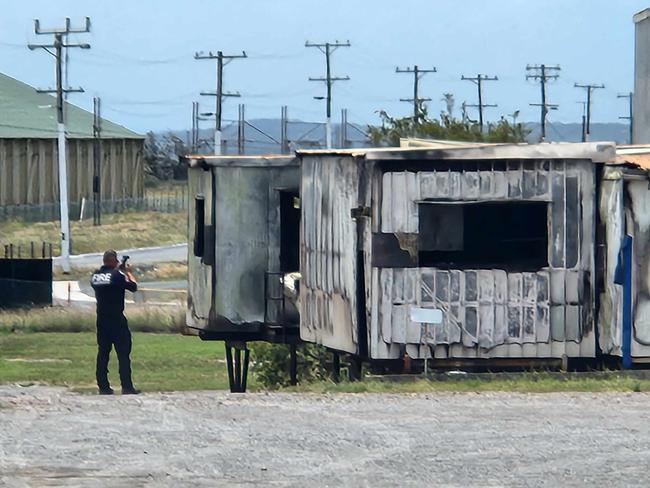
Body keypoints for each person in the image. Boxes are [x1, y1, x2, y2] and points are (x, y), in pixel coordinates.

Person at [90, 250, 140, 395]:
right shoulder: (118, 275)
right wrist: (128, 272)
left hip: (101, 319)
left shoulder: (95, 276)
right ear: (113, 261)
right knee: (123, 353)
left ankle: (103, 386)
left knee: (103, 353)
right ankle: (127, 386)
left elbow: (107, 282)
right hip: (117, 319)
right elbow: (133, 287)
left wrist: (117, 271)